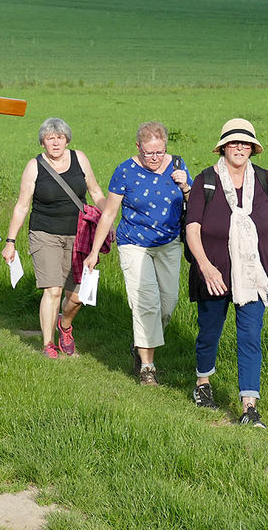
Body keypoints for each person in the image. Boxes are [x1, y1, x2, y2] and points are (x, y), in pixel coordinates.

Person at [185, 118, 268, 427]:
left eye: (245, 143)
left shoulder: (265, 180)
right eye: (233, 142)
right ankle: (202, 384)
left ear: (252, 148)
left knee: (251, 336)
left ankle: (249, 407)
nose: (239, 147)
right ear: (224, 147)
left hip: (255, 273)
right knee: (210, 332)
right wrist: (205, 267)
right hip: (214, 271)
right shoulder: (206, 181)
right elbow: (192, 229)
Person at [84, 122, 190, 385]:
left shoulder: (178, 165)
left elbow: (195, 204)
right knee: (145, 304)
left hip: (168, 243)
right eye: (149, 153)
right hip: (134, 244)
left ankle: (139, 343)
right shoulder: (125, 171)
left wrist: (186, 186)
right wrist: (94, 251)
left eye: (160, 152)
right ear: (138, 147)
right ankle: (147, 367)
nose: (155, 158)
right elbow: (109, 213)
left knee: (168, 303)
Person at [2, 117, 106, 359]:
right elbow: (21, 206)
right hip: (44, 233)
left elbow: (96, 191)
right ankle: (48, 344)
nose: (56, 143)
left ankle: (65, 326)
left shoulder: (79, 159)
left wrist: (106, 221)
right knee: (53, 290)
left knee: (78, 296)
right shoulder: (34, 166)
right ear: (43, 142)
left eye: (60, 137)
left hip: (79, 235)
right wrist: (10, 241)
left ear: (67, 139)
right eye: (50, 138)